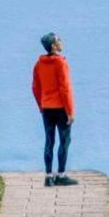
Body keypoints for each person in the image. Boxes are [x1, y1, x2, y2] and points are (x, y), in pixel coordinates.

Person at [32, 32, 78, 187]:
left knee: (49, 141)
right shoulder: (60, 63)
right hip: (60, 107)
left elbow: (35, 88)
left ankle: (48, 176)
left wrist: (41, 106)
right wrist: (70, 112)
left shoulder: (39, 64)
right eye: (59, 40)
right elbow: (65, 89)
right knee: (65, 141)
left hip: (46, 107)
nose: (61, 42)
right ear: (53, 45)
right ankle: (61, 175)